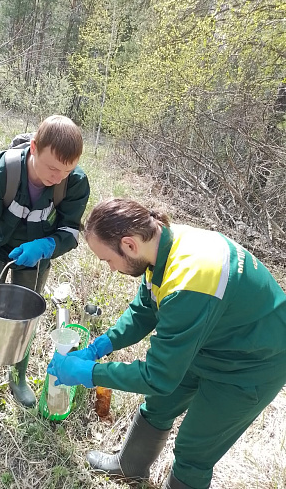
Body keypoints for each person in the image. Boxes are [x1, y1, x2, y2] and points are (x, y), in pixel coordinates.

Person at [47, 198, 286, 489]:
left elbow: (158, 376)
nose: (109, 268)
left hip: (253, 362)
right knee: (158, 405)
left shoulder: (191, 278)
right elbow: (143, 311)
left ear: (129, 244)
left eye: (108, 259)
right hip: (210, 338)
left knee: (194, 448)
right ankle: (130, 468)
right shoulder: (161, 245)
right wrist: (101, 346)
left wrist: (90, 373)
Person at [0, 115, 90, 415]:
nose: (58, 177)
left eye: (67, 170)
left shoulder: (73, 183)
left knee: (26, 319)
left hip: (35, 255)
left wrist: (46, 246)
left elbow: (70, 231)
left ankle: (18, 379)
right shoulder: (1, 172)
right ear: (35, 147)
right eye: (52, 168)